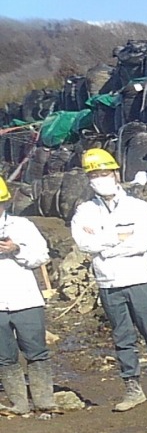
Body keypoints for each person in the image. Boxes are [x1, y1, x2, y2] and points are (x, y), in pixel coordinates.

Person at [70, 148, 147, 412]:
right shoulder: (85, 211)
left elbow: (141, 243)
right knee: (122, 338)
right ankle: (132, 388)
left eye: (103, 173)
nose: (99, 179)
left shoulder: (138, 207)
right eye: (94, 175)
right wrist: (117, 237)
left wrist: (102, 242)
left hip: (139, 280)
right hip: (108, 283)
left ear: (115, 173)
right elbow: (83, 243)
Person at [0, 176, 56, 415]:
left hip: (26, 300)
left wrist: (17, 249)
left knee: (36, 352)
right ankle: (19, 403)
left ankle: (45, 401)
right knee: (4, 357)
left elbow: (41, 256)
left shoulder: (22, 226)